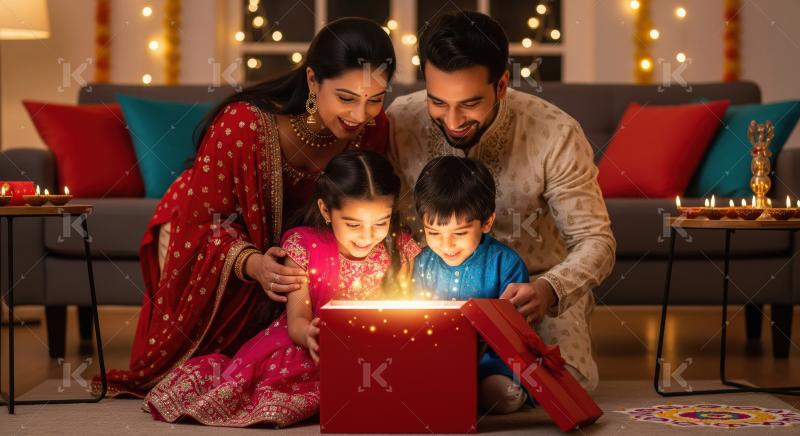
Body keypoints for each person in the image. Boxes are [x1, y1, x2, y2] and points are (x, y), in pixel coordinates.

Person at [96, 17, 397, 397]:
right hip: (205, 225)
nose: (360, 115)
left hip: (294, 247)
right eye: (346, 98)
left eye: (375, 99)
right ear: (312, 81)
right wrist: (255, 264)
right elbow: (206, 222)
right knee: (199, 377)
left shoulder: (375, 128)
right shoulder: (245, 124)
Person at [388, 11, 616, 391]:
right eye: (438, 103)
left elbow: (597, 242)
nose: (453, 120)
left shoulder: (556, 133)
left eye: (469, 104)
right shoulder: (400, 121)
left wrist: (549, 290)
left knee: (565, 385)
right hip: (432, 291)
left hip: (532, 295)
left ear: (503, 84)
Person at [144, 150, 420, 427]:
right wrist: (311, 335)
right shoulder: (305, 247)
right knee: (284, 387)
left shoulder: (399, 250)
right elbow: (297, 321)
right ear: (326, 210)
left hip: (375, 352)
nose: (367, 236)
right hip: (312, 349)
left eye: (380, 223)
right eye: (353, 224)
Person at [412, 155, 532, 413]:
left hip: (490, 363)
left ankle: (468, 395)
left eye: (460, 233)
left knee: (502, 395)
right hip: (437, 362)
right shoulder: (422, 263)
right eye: (434, 233)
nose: (446, 245)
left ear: (486, 222)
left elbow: (517, 332)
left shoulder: (505, 263)